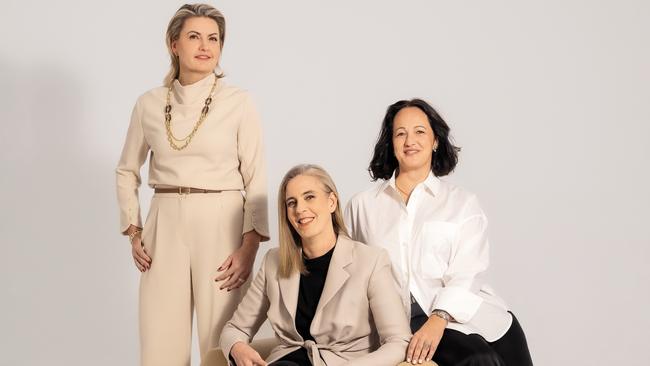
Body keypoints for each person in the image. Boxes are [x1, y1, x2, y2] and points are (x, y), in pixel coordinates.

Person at [115, 4, 269, 365]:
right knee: (160, 339)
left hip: (223, 218)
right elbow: (126, 169)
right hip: (164, 218)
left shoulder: (239, 102)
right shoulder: (149, 104)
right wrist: (133, 228)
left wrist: (249, 246)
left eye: (213, 38)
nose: (205, 46)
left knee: (223, 338)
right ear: (174, 45)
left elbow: (256, 176)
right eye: (194, 36)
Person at [345, 99, 533, 366]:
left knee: (507, 336)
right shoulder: (362, 206)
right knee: (480, 360)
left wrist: (439, 317)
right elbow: (350, 271)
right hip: (404, 323)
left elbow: (468, 271)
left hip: (464, 313)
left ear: (435, 141)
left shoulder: (462, 202)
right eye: (401, 133)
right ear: (391, 143)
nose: (410, 140)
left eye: (420, 131)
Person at [220, 164, 411, 366]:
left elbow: (398, 341)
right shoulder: (273, 262)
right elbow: (235, 329)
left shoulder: (370, 261)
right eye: (291, 203)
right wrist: (237, 347)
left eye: (309, 197)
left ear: (331, 202)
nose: (300, 209)